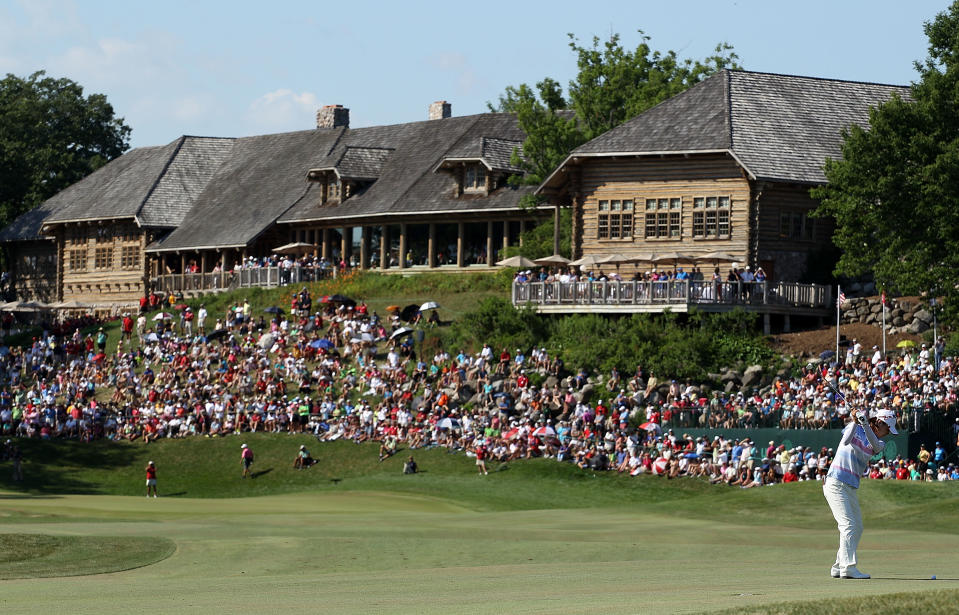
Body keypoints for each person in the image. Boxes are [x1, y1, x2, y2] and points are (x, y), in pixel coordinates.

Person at [823, 407, 897, 580]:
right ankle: (847, 568)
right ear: (879, 422)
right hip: (835, 482)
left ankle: (837, 566)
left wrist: (864, 424)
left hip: (849, 486)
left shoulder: (879, 443)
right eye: (887, 428)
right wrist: (855, 422)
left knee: (857, 527)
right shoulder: (854, 428)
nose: (888, 433)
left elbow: (875, 446)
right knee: (848, 525)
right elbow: (846, 441)